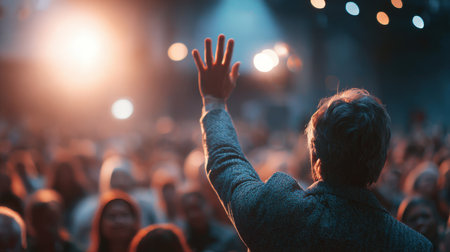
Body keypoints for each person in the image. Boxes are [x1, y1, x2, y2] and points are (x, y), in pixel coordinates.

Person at [192, 34, 433, 251]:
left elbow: (227, 161)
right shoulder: (413, 245)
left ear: (314, 154)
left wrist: (214, 102)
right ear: (382, 160)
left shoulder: (281, 213)